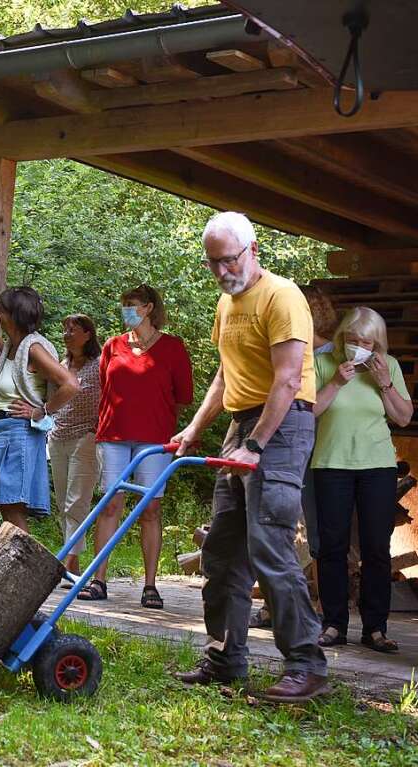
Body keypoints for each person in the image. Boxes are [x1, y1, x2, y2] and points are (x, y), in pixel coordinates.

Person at [173, 211, 328, 704]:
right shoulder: (227, 303)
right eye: (212, 263)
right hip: (243, 427)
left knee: (270, 548)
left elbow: (286, 380)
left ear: (252, 249)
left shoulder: (282, 297)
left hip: (281, 427)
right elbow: (225, 374)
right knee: (221, 553)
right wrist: (195, 429)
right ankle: (225, 659)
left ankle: (306, 664)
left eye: (228, 261)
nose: (222, 272)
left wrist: (256, 444)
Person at [78, 285, 192, 609]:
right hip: (113, 435)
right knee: (110, 504)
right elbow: (104, 389)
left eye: (132, 305)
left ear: (149, 307)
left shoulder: (172, 348)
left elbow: (183, 395)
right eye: (124, 305)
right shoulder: (113, 346)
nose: (126, 310)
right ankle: (98, 580)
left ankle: (151, 585)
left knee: (150, 509)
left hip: (155, 439)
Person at [311, 307, 412, 653]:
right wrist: (337, 382)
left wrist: (384, 383)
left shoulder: (390, 367)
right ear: (342, 338)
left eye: (365, 342)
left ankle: (375, 629)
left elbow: (402, 417)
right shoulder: (325, 364)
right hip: (331, 464)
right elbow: (309, 411)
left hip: (377, 467)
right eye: (352, 340)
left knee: (376, 550)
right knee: (332, 548)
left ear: (377, 344)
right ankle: (334, 624)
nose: (357, 346)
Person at [250, 284, 338, 629]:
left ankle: (303, 611)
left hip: (312, 450)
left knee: (302, 532)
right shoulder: (289, 353)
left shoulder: (327, 357)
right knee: (285, 530)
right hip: (294, 448)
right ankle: (278, 606)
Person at [0, 288, 77, 543]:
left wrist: (41, 410)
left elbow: (70, 384)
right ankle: (9, 564)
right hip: (4, 435)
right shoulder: (16, 347)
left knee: (12, 510)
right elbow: (18, 369)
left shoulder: (33, 347)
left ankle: (24, 573)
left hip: (20, 436)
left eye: (1, 310)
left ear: (14, 315)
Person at [46, 314, 101, 581]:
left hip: (86, 438)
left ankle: (72, 562)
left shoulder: (100, 365)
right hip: (58, 437)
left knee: (76, 502)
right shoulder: (61, 365)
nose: (67, 334)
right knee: (62, 502)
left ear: (88, 335)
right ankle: (70, 558)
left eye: (73, 329)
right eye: (65, 329)